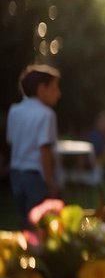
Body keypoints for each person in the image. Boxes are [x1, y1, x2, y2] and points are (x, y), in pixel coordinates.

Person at [6, 64, 62, 218]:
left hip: (16, 174)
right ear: (42, 89)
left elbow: (11, 142)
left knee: (25, 220)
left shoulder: (14, 111)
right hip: (36, 176)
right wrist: (50, 182)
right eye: (55, 88)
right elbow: (45, 150)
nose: (59, 93)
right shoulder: (46, 114)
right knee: (40, 222)